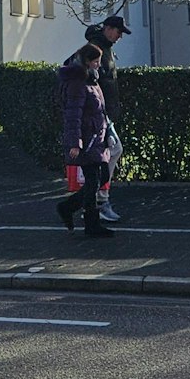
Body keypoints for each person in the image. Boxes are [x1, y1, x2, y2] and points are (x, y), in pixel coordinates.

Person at [55, 43, 114, 237]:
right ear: (87, 62)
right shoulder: (78, 83)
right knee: (93, 181)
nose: (99, 65)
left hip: (96, 137)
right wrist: (75, 143)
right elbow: (73, 114)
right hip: (88, 140)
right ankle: (91, 223)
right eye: (96, 61)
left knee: (100, 177)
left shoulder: (91, 80)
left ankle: (69, 208)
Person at [82, 14, 131, 221]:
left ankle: (94, 202)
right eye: (118, 32)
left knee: (106, 154)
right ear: (108, 29)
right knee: (113, 150)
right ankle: (98, 201)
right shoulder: (97, 50)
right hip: (98, 114)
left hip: (102, 113)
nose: (120, 36)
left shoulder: (103, 48)